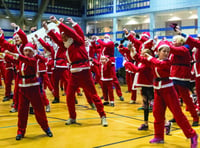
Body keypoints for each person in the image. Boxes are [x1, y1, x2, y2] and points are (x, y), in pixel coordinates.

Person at [130, 41, 198, 148]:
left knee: (178, 114)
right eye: (164, 51)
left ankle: (192, 135)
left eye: (168, 51)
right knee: (157, 114)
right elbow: (140, 59)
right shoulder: (154, 60)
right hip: (158, 90)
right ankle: (159, 136)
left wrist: (149, 57)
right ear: (159, 51)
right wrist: (133, 51)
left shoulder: (167, 62)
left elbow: (159, 64)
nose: (166, 53)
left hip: (169, 90)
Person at [45, 16, 108, 126]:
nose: (62, 38)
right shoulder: (66, 46)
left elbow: (71, 32)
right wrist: (48, 29)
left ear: (68, 36)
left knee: (93, 95)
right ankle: (72, 117)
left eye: (63, 36)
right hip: (73, 73)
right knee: (69, 96)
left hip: (84, 72)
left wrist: (56, 22)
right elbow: (56, 39)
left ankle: (103, 116)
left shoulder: (78, 41)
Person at [1, 43, 53, 140]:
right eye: (26, 51)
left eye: (29, 51)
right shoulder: (21, 61)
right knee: (22, 112)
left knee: (39, 110)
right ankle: (20, 131)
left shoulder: (33, 60)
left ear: (33, 52)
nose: (27, 53)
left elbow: (24, 59)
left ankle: (46, 128)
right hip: (22, 89)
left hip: (33, 88)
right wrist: (4, 54)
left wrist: (11, 54)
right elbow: (12, 60)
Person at [91, 34, 124, 101]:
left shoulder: (111, 43)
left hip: (109, 62)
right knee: (102, 79)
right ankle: (105, 95)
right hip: (102, 63)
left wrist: (97, 39)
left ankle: (119, 94)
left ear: (109, 38)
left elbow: (104, 44)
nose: (105, 38)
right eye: (105, 37)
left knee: (114, 79)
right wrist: (93, 41)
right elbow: (95, 47)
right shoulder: (102, 44)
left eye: (107, 37)